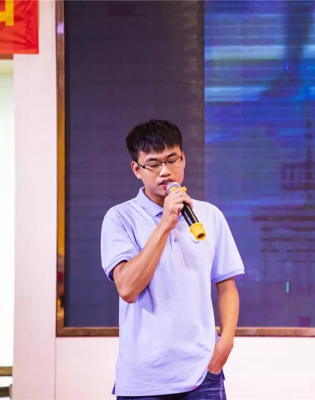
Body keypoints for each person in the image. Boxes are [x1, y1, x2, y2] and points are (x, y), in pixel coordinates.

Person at [101, 119, 245, 399]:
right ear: (137, 169)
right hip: (144, 380)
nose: (165, 171)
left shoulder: (210, 215)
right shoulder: (120, 218)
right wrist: (166, 222)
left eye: (172, 160)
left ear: (183, 159)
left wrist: (225, 343)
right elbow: (127, 289)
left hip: (203, 376)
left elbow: (226, 286)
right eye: (153, 164)